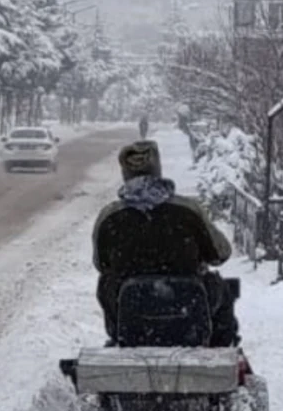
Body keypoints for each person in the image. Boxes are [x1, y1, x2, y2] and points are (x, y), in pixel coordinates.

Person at [92, 140, 239, 347]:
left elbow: (101, 264)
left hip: (130, 309)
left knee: (106, 284)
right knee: (222, 288)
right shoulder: (188, 211)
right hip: (188, 306)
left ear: (124, 173)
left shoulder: (110, 217)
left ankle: (119, 336)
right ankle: (219, 347)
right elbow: (221, 254)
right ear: (158, 169)